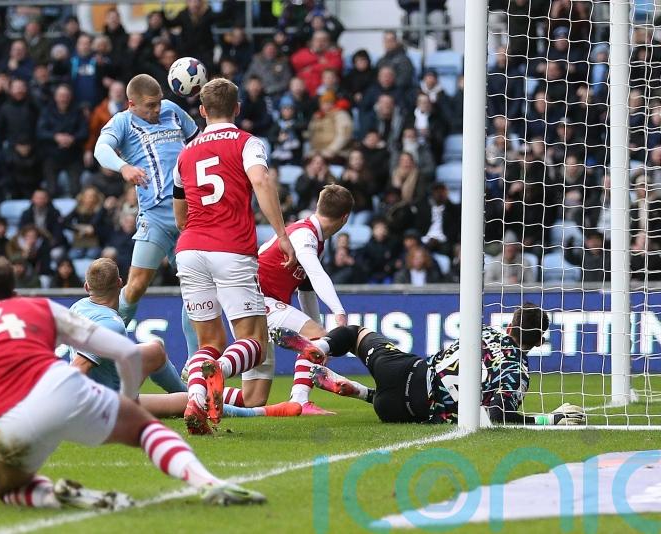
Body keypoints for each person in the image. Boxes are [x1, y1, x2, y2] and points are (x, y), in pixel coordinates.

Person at [0, 256, 266, 511]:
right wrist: (127, 403)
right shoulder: (39, 307)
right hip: (63, 388)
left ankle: (52, 495)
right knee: (146, 430)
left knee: (4, 486)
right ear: (14, 293)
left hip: (5, 420)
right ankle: (207, 481)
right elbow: (127, 354)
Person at [172, 78, 296, 434]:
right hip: (231, 248)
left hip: (190, 250)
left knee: (209, 343)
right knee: (254, 344)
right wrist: (281, 234)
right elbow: (261, 181)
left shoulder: (186, 152)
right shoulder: (247, 142)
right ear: (238, 108)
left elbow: (180, 215)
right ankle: (221, 371)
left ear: (202, 111)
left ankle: (198, 397)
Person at [62, 258, 301, 420]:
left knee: (155, 349)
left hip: (106, 385)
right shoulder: (110, 325)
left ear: (86, 286)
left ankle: (190, 391)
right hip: (109, 405)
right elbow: (80, 366)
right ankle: (259, 412)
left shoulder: (78, 307)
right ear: (119, 283)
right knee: (188, 401)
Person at [273, 303, 587, 426]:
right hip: (403, 411)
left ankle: (320, 347)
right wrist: (552, 418)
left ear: (510, 325)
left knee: (355, 333)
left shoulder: (485, 331)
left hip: (404, 369)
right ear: (538, 341)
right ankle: (362, 393)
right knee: (442, 400)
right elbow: (497, 416)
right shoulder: (517, 373)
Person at [93, 74, 200, 368]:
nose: (156, 110)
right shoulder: (122, 122)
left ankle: (195, 366)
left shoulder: (173, 111)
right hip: (155, 217)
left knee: (194, 291)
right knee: (136, 285)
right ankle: (103, 353)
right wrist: (123, 167)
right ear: (132, 104)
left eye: (158, 103)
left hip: (189, 216)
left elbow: (198, 144)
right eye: (150, 106)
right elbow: (100, 150)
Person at [236, 185, 354, 414]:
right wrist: (337, 312)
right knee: (316, 337)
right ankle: (300, 401)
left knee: (254, 398)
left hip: (252, 301)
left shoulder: (313, 238)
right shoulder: (305, 235)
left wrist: (318, 337)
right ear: (345, 218)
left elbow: (306, 290)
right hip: (258, 299)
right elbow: (316, 274)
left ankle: (201, 393)